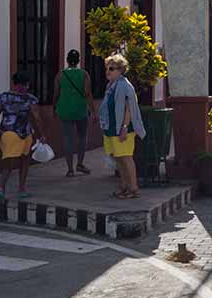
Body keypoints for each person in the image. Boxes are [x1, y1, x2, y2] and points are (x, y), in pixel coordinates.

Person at [99, 54, 146, 200]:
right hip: (112, 128)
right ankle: (124, 187)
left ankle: (133, 188)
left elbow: (129, 108)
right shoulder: (112, 86)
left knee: (126, 158)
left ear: (120, 70)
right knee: (118, 158)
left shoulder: (124, 86)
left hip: (123, 128)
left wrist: (124, 127)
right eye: (107, 68)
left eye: (111, 68)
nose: (108, 71)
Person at [0, 71, 43, 201]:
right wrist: (41, 134)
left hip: (6, 133)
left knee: (7, 164)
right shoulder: (30, 99)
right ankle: (21, 188)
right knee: (24, 161)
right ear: (26, 85)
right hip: (24, 133)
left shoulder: (4, 97)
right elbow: (36, 119)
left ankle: (1, 189)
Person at [54, 49, 95, 178]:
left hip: (64, 109)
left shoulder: (60, 75)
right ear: (78, 61)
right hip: (80, 109)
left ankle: (70, 169)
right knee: (82, 137)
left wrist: (54, 108)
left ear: (67, 60)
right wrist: (93, 111)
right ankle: (80, 163)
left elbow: (56, 94)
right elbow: (88, 94)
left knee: (68, 138)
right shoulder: (84, 74)